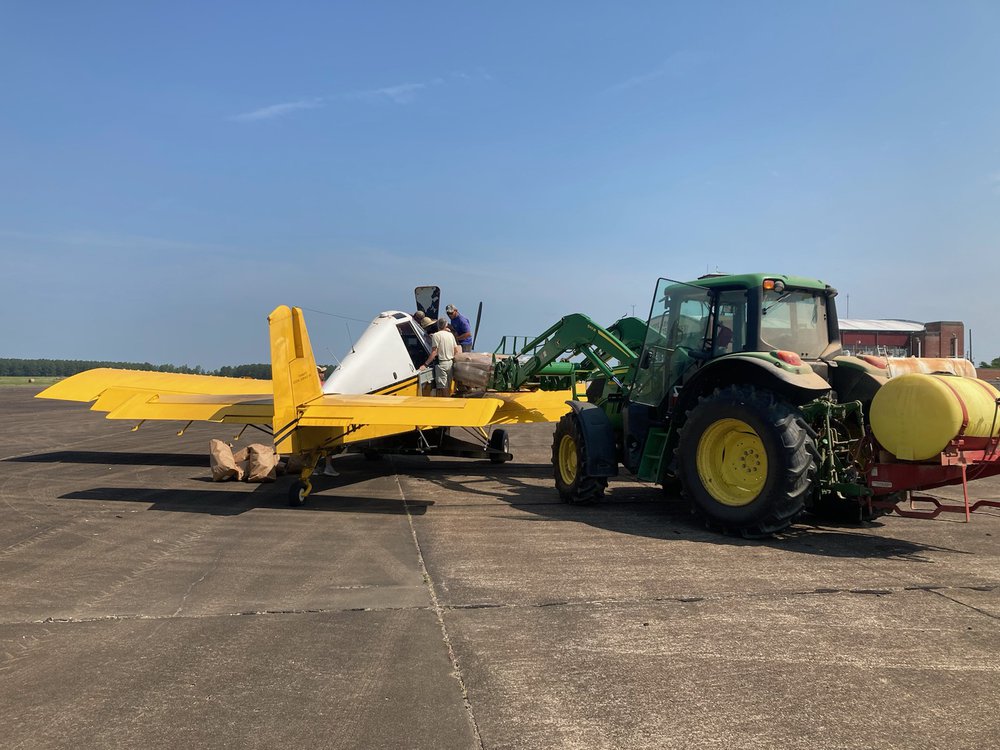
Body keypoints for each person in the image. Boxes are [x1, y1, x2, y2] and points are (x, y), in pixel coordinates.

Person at [419, 318, 458, 395]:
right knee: (449, 386)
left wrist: (425, 364)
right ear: (446, 325)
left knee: (443, 388)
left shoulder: (436, 336)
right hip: (450, 363)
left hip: (441, 364)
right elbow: (456, 350)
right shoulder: (450, 335)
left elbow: (434, 352)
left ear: (437, 325)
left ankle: (446, 403)